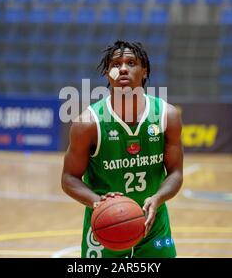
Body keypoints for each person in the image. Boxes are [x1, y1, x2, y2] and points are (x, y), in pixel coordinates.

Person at [61, 40, 183, 258]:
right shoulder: (88, 123)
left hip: (154, 225)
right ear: (109, 74)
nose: (123, 68)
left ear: (144, 72)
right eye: (116, 64)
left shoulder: (167, 115)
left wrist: (158, 198)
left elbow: (175, 173)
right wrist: (97, 203)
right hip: (104, 226)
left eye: (131, 62)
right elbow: (69, 178)